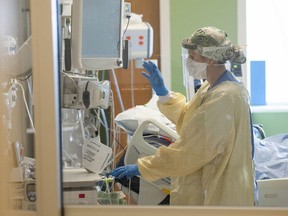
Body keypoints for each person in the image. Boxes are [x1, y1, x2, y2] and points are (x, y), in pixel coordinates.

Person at [111, 26, 255, 206]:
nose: (188, 62)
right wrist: (164, 94)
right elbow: (191, 119)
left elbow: (192, 151)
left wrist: (144, 166)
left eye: (192, 57)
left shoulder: (226, 96)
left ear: (210, 59)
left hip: (221, 192)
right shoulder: (211, 88)